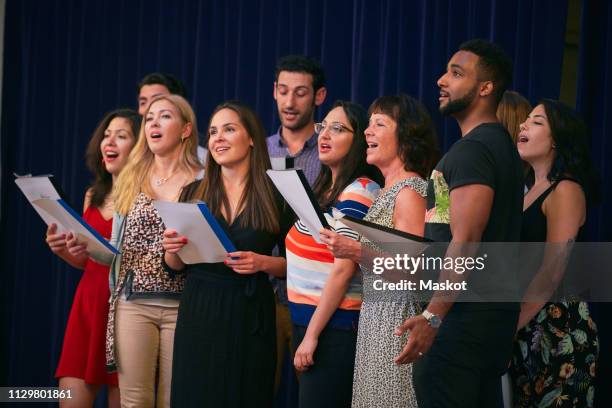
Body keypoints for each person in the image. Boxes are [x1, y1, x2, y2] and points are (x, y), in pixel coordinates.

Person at [393, 39, 524, 408]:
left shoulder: (473, 151)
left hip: (458, 327)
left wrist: (433, 316)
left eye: (456, 73)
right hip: (479, 326)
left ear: (486, 88)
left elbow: (466, 240)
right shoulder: (498, 148)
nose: (441, 80)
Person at [162, 100, 294, 407]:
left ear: (251, 139)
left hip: (251, 312)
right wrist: (172, 250)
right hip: (200, 309)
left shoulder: (277, 193)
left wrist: (263, 263)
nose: (218, 138)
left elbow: (300, 264)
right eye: (212, 132)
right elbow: (174, 267)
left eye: (229, 129)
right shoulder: (192, 193)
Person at [82, 94, 203, 407]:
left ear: (186, 130)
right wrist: (87, 246)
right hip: (132, 301)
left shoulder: (204, 180)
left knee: (173, 400)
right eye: (149, 118)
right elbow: (116, 250)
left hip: (184, 305)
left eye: (164, 116)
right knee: (134, 400)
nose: (153, 123)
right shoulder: (131, 178)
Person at [320, 94, 439, 407]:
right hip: (376, 320)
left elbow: (413, 271)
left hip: (396, 323)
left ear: (405, 135)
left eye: (379, 124)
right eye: (367, 125)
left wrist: (356, 251)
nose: (367, 133)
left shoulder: (410, 191)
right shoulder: (389, 189)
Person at [288, 100, 382, 407]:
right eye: (323, 126)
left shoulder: (360, 189)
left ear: (359, 140)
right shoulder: (324, 188)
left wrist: (312, 335)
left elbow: (343, 269)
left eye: (338, 128)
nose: (325, 134)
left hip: (334, 328)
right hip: (311, 323)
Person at [46, 109, 139, 408]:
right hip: (88, 304)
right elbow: (89, 262)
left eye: (121, 136)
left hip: (127, 309)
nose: (109, 142)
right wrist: (62, 249)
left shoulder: (148, 197)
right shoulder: (93, 194)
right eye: (107, 135)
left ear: (138, 149)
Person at [510, 100, 599, 407]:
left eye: (535, 122)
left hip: (558, 328)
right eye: (524, 121)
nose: (522, 125)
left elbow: (552, 270)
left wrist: (513, 323)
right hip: (526, 324)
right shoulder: (524, 189)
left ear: (557, 139)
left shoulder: (566, 189)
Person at [267, 55, 327, 392]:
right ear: (274, 91)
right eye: (284, 91)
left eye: (301, 93)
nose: (289, 103)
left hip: (316, 296)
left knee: (316, 392)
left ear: (319, 96)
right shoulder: (258, 150)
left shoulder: (331, 151)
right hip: (265, 296)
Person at [137, 72, 207, 163]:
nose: (149, 108)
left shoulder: (204, 158)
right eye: (143, 103)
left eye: (157, 99)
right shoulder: (132, 156)